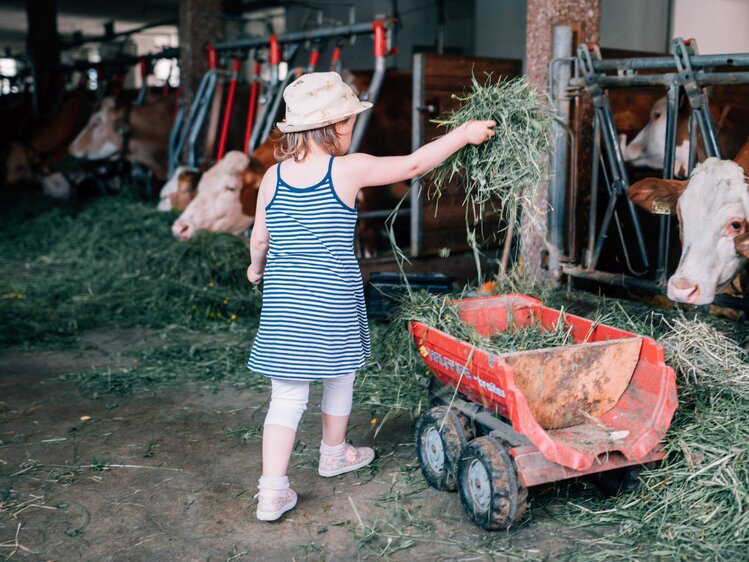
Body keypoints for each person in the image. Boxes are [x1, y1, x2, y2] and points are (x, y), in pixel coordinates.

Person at [247, 71, 495, 521]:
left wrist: (255, 268)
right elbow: (414, 165)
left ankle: (271, 491)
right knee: (340, 376)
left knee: (285, 398)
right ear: (335, 126)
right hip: (333, 304)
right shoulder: (347, 168)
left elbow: (260, 238)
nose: (351, 130)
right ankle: (334, 453)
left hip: (283, 308)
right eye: (348, 123)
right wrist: (465, 132)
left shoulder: (272, 177)